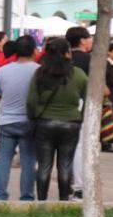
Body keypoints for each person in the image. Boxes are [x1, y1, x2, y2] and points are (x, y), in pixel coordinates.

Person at [28, 37, 88, 201]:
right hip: (71, 123)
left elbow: (31, 101)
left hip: (45, 123)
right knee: (65, 165)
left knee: (44, 165)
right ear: (68, 53)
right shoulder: (78, 74)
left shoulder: (40, 73)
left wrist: (34, 117)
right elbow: (89, 99)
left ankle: (42, 201)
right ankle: (63, 200)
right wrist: (80, 117)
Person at [0, 34, 40, 201]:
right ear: (34, 50)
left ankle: (0, 195)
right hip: (29, 122)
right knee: (28, 161)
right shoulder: (38, 70)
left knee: (3, 159)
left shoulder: (4, 70)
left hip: (6, 121)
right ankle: (26, 196)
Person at [65, 27, 93, 199]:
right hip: (81, 107)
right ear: (82, 40)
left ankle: (66, 183)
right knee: (79, 147)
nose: (91, 41)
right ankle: (79, 187)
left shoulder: (64, 59)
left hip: (61, 108)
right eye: (89, 38)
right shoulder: (90, 60)